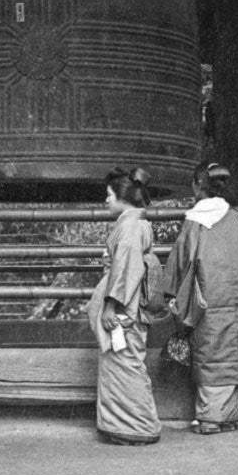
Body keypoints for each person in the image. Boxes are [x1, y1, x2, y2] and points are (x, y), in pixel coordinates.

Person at [163, 162, 238, 435]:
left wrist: (170, 296)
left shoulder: (195, 223)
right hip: (237, 298)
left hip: (206, 299)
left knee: (209, 351)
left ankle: (210, 416)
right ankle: (228, 413)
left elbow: (180, 263)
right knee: (232, 348)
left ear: (197, 186)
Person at [87, 167, 161, 446]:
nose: (106, 200)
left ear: (122, 197)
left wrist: (110, 306)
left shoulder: (130, 227)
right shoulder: (135, 222)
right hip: (129, 301)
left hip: (123, 305)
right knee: (122, 362)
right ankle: (125, 425)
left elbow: (124, 269)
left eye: (109, 195)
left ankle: (138, 426)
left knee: (125, 362)